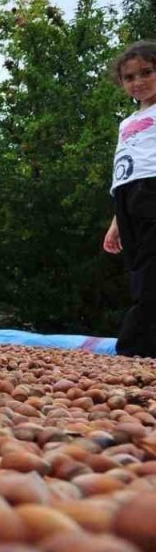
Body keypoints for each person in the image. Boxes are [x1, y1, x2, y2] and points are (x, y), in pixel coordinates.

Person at [104, 39, 156, 357]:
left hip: (153, 190)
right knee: (139, 268)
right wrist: (116, 222)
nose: (138, 82)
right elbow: (125, 170)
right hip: (128, 196)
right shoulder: (127, 122)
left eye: (147, 72)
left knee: (152, 267)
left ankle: (136, 347)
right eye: (129, 77)